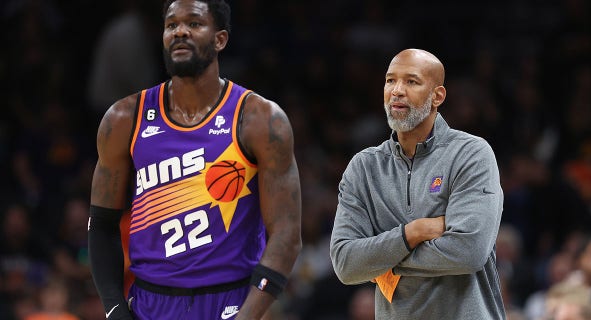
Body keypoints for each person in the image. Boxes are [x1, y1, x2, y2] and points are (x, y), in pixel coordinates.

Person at [87, 0, 302, 319]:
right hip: (150, 304)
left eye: (194, 23)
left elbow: (286, 235)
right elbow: (101, 224)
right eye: (171, 25)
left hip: (232, 300)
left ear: (220, 39)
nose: (180, 31)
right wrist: (115, 308)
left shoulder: (259, 120)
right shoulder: (123, 119)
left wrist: (248, 315)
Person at [330, 48, 506, 319]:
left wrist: (381, 262)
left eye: (411, 81)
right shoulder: (364, 168)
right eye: (390, 80)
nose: (397, 91)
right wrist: (412, 233)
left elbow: (468, 252)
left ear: (437, 96)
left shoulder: (471, 153)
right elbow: (345, 263)